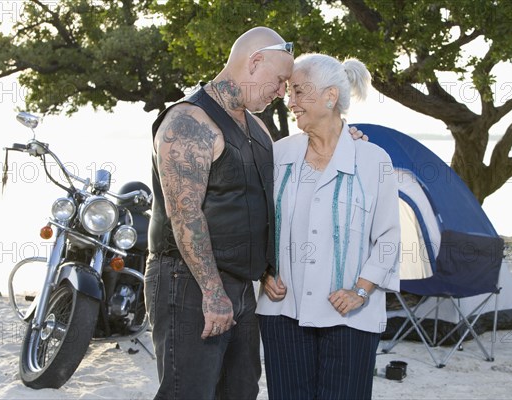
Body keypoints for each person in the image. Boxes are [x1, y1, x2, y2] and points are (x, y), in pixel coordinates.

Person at [145, 27, 364, 400]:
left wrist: (340, 138)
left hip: (242, 286)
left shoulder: (257, 127)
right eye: (279, 81)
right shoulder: (188, 122)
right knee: (189, 392)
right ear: (255, 61)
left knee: (241, 390)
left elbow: (265, 195)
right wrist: (213, 293)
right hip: (189, 282)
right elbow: (185, 215)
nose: (282, 92)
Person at [257, 53, 401, 399]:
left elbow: (389, 236)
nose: (289, 101)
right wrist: (264, 270)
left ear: (330, 96)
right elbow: (257, 221)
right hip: (283, 312)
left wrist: (361, 291)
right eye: (289, 92)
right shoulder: (279, 154)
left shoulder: (373, 160)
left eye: (298, 92)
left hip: (350, 315)